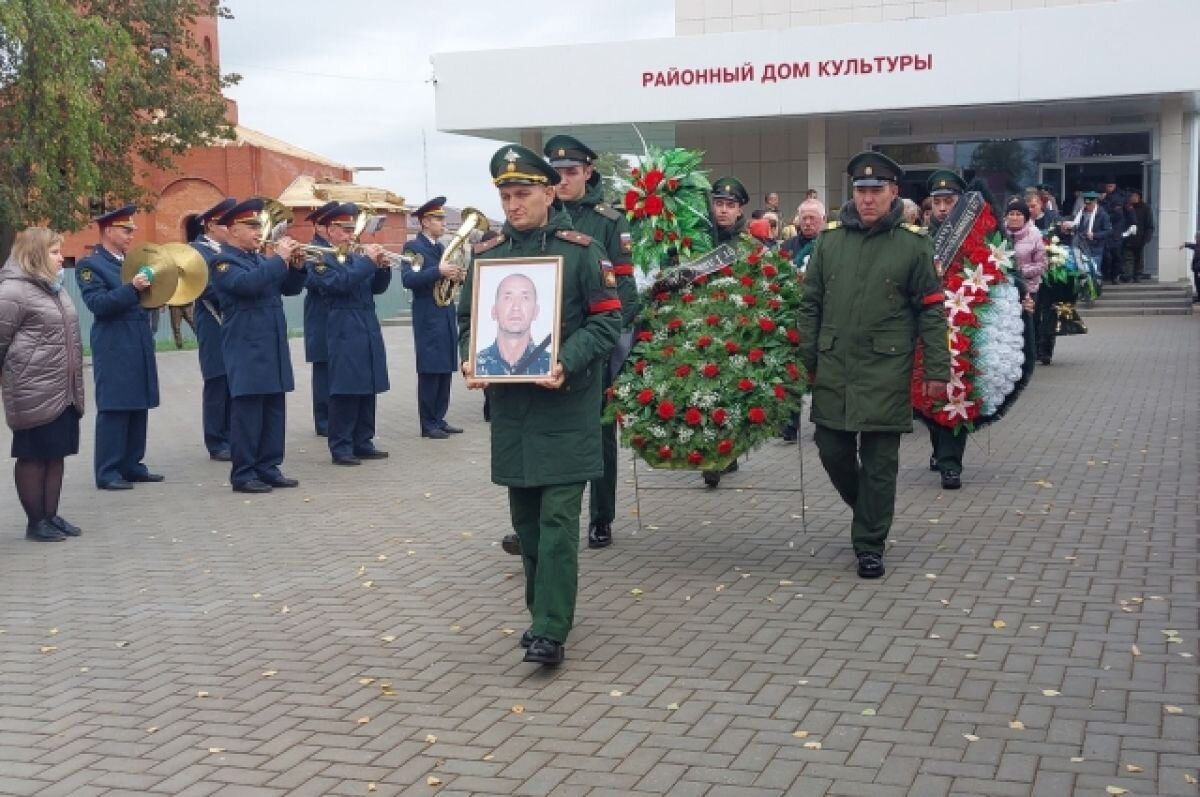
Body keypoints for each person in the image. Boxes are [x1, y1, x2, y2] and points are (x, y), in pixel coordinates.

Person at [457, 144, 621, 666]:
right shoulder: (486, 255)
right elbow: (466, 323)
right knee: (526, 524)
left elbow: (607, 323)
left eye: (523, 193)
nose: (513, 203)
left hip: (566, 408)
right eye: (506, 194)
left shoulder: (581, 252)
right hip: (511, 413)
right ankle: (540, 616)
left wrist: (565, 362)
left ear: (550, 192)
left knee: (556, 525)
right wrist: (468, 360)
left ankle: (551, 628)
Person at [798, 152, 950, 579]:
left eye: (876, 191)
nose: (867, 199)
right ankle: (868, 511)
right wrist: (806, 359)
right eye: (861, 191)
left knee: (881, 464)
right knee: (832, 451)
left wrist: (938, 370)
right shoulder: (829, 241)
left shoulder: (913, 244)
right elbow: (809, 305)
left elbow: (933, 310)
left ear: (893, 193)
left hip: (887, 368)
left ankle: (869, 544)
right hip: (834, 365)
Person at [543, 133, 640, 551]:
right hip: (547, 347)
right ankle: (543, 519)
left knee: (598, 436)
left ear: (588, 172)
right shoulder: (539, 214)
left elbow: (625, 289)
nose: (562, 180)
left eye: (570, 172)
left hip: (596, 348)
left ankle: (601, 517)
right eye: (556, 173)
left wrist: (609, 339)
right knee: (547, 434)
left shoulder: (608, 220)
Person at [209, 198, 307, 493]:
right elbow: (247, 286)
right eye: (251, 226)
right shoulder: (223, 262)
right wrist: (279, 259)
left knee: (273, 410)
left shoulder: (261, 261)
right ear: (232, 230)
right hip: (246, 346)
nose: (257, 231)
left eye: (258, 225)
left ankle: (269, 466)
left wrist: (298, 267)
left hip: (272, 346)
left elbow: (289, 288)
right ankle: (244, 473)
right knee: (248, 413)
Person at [0, 228, 86, 541]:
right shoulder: (13, 291)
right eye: (54, 252)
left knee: (56, 452)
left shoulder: (54, 288)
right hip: (31, 388)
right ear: (36, 254)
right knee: (33, 455)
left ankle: (50, 515)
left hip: (62, 389)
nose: (61, 258)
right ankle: (35, 522)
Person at [75, 205, 164, 491]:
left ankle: (132, 464)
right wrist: (133, 288)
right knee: (115, 405)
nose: (130, 235)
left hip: (137, 337)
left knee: (138, 402)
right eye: (126, 231)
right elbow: (99, 305)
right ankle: (108, 470)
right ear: (108, 231)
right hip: (114, 341)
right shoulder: (90, 265)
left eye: (132, 231)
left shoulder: (132, 261)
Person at [307, 203, 392, 465]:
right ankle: (341, 445)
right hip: (342, 324)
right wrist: (368, 262)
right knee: (345, 388)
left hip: (366, 322)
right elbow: (340, 284)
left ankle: (363, 440)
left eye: (351, 230)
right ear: (330, 230)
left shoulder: (356, 257)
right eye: (344, 230)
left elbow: (375, 288)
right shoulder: (320, 258)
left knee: (368, 385)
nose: (349, 235)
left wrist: (383, 268)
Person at [701, 176, 751, 487]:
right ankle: (712, 455)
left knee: (730, 394)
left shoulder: (747, 246)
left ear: (740, 209)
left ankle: (726, 450)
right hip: (702, 326)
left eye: (729, 205)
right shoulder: (699, 240)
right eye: (718, 203)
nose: (722, 210)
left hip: (737, 329)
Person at [923, 170, 970, 490]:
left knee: (958, 393)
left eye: (948, 201)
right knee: (928, 395)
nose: (942, 208)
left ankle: (951, 463)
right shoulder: (918, 239)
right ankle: (939, 449)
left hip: (964, 325)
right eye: (937, 202)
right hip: (927, 327)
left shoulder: (973, 237)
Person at [401, 197, 463, 440]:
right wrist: (438, 271)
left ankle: (439, 417)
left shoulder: (439, 247)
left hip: (445, 311)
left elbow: (446, 275)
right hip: (427, 312)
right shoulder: (413, 248)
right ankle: (428, 423)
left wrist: (457, 275)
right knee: (430, 369)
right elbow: (408, 279)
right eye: (438, 218)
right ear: (425, 222)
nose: (443, 222)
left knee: (445, 367)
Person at [187, 197, 235, 462]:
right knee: (218, 380)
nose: (230, 228)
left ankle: (233, 434)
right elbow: (203, 286)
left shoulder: (229, 249)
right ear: (211, 225)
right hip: (213, 320)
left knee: (233, 380)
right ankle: (217, 440)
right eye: (226, 223)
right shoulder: (197, 251)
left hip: (232, 321)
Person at [303, 201, 338, 437]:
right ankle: (323, 420)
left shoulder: (340, 248)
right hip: (321, 317)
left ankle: (337, 417)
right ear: (317, 227)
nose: (329, 228)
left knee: (337, 370)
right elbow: (316, 281)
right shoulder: (312, 250)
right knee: (324, 370)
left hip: (338, 319)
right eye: (326, 224)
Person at [475, 273, 551, 376]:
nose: (516, 307)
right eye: (507, 298)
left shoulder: (550, 366)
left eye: (525, 298)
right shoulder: (477, 364)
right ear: (494, 311)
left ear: (536, 312)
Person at [1125, 189, 1155, 281]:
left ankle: (1137, 275)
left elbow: (1149, 224)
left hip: (1140, 237)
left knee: (1139, 258)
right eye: (1131, 196)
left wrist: (1147, 237)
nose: (1133, 198)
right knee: (1127, 258)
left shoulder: (1145, 208)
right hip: (1128, 237)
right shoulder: (1126, 207)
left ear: (1139, 197)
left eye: (1135, 196)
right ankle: (1128, 275)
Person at [1181, 232, 1200, 302]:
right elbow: (1192, 245)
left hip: (1198, 270)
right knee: (1197, 284)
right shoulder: (1197, 245)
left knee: (1198, 284)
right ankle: (1199, 297)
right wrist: (1185, 244)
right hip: (1196, 270)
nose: (1195, 239)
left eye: (1196, 237)